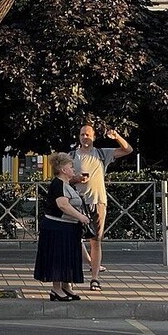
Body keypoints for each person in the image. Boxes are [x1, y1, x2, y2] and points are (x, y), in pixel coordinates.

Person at [71, 124, 133, 292]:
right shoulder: (71, 156)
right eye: (82, 134)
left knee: (96, 240)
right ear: (79, 136)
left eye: (88, 134)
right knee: (73, 239)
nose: (85, 137)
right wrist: (75, 179)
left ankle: (95, 278)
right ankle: (74, 274)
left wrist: (117, 136)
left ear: (94, 137)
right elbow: (63, 179)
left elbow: (128, 149)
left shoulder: (101, 153)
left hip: (98, 201)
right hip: (77, 203)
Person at [34, 152, 91, 301]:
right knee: (58, 258)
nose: (74, 169)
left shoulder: (67, 184)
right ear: (63, 170)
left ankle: (66, 286)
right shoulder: (58, 184)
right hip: (57, 228)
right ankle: (56, 289)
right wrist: (81, 217)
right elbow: (63, 205)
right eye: (71, 167)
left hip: (68, 228)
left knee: (68, 258)